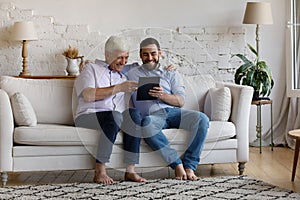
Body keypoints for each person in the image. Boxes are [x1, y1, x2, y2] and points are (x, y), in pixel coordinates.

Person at [126, 37, 209, 180]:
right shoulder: (131, 72)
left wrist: (162, 95)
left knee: (202, 119)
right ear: (140, 55)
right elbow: (111, 64)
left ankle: (189, 166)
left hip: (173, 112)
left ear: (160, 53)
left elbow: (181, 101)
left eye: (153, 53)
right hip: (153, 117)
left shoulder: (170, 72)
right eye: (145, 54)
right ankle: (177, 165)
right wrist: (89, 62)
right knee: (146, 125)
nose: (149, 58)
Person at [74, 35, 146, 184]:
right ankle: (100, 170)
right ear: (107, 55)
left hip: (114, 118)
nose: (124, 62)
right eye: (120, 57)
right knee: (115, 116)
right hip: (88, 116)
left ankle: (130, 171)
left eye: (126, 57)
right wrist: (119, 88)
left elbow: (148, 66)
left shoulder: (123, 75)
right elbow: (88, 95)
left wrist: (168, 68)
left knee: (134, 114)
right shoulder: (91, 68)